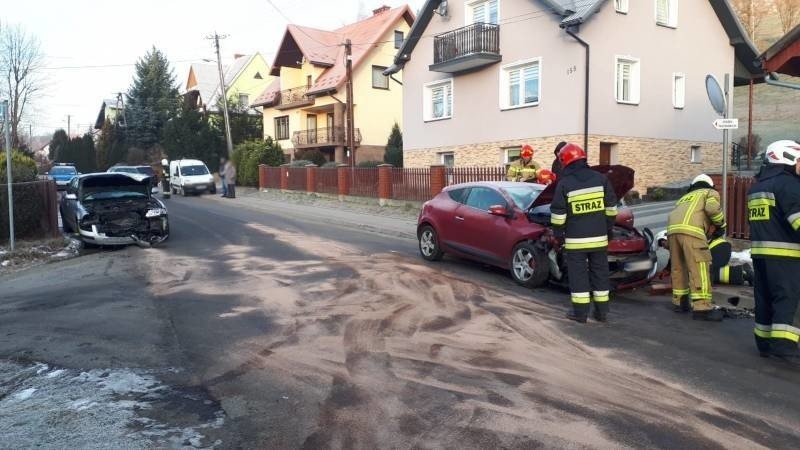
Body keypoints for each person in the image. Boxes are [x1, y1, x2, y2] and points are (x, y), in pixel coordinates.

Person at [551, 143, 617, 323]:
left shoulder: (565, 184)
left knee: (578, 275)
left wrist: (558, 235)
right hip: (599, 239)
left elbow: (558, 215)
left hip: (575, 241)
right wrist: (608, 228)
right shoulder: (601, 179)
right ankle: (601, 312)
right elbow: (611, 209)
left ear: (565, 162)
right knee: (600, 273)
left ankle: (580, 314)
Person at [747, 140, 800, 363]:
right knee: (788, 299)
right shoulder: (789, 184)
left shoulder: (757, 186)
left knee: (764, 298)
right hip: (787, 255)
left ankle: (765, 344)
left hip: (761, 254)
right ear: (786, 158)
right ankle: (785, 346)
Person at [666, 174, 726, 321]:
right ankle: (702, 308)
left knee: (678, 267)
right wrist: (721, 225)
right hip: (692, 233)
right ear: (710, 184)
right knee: (699, 268)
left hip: (673, 232)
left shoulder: (685, 197)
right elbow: (712, 209)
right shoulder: (710, 192)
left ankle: (680, 302)